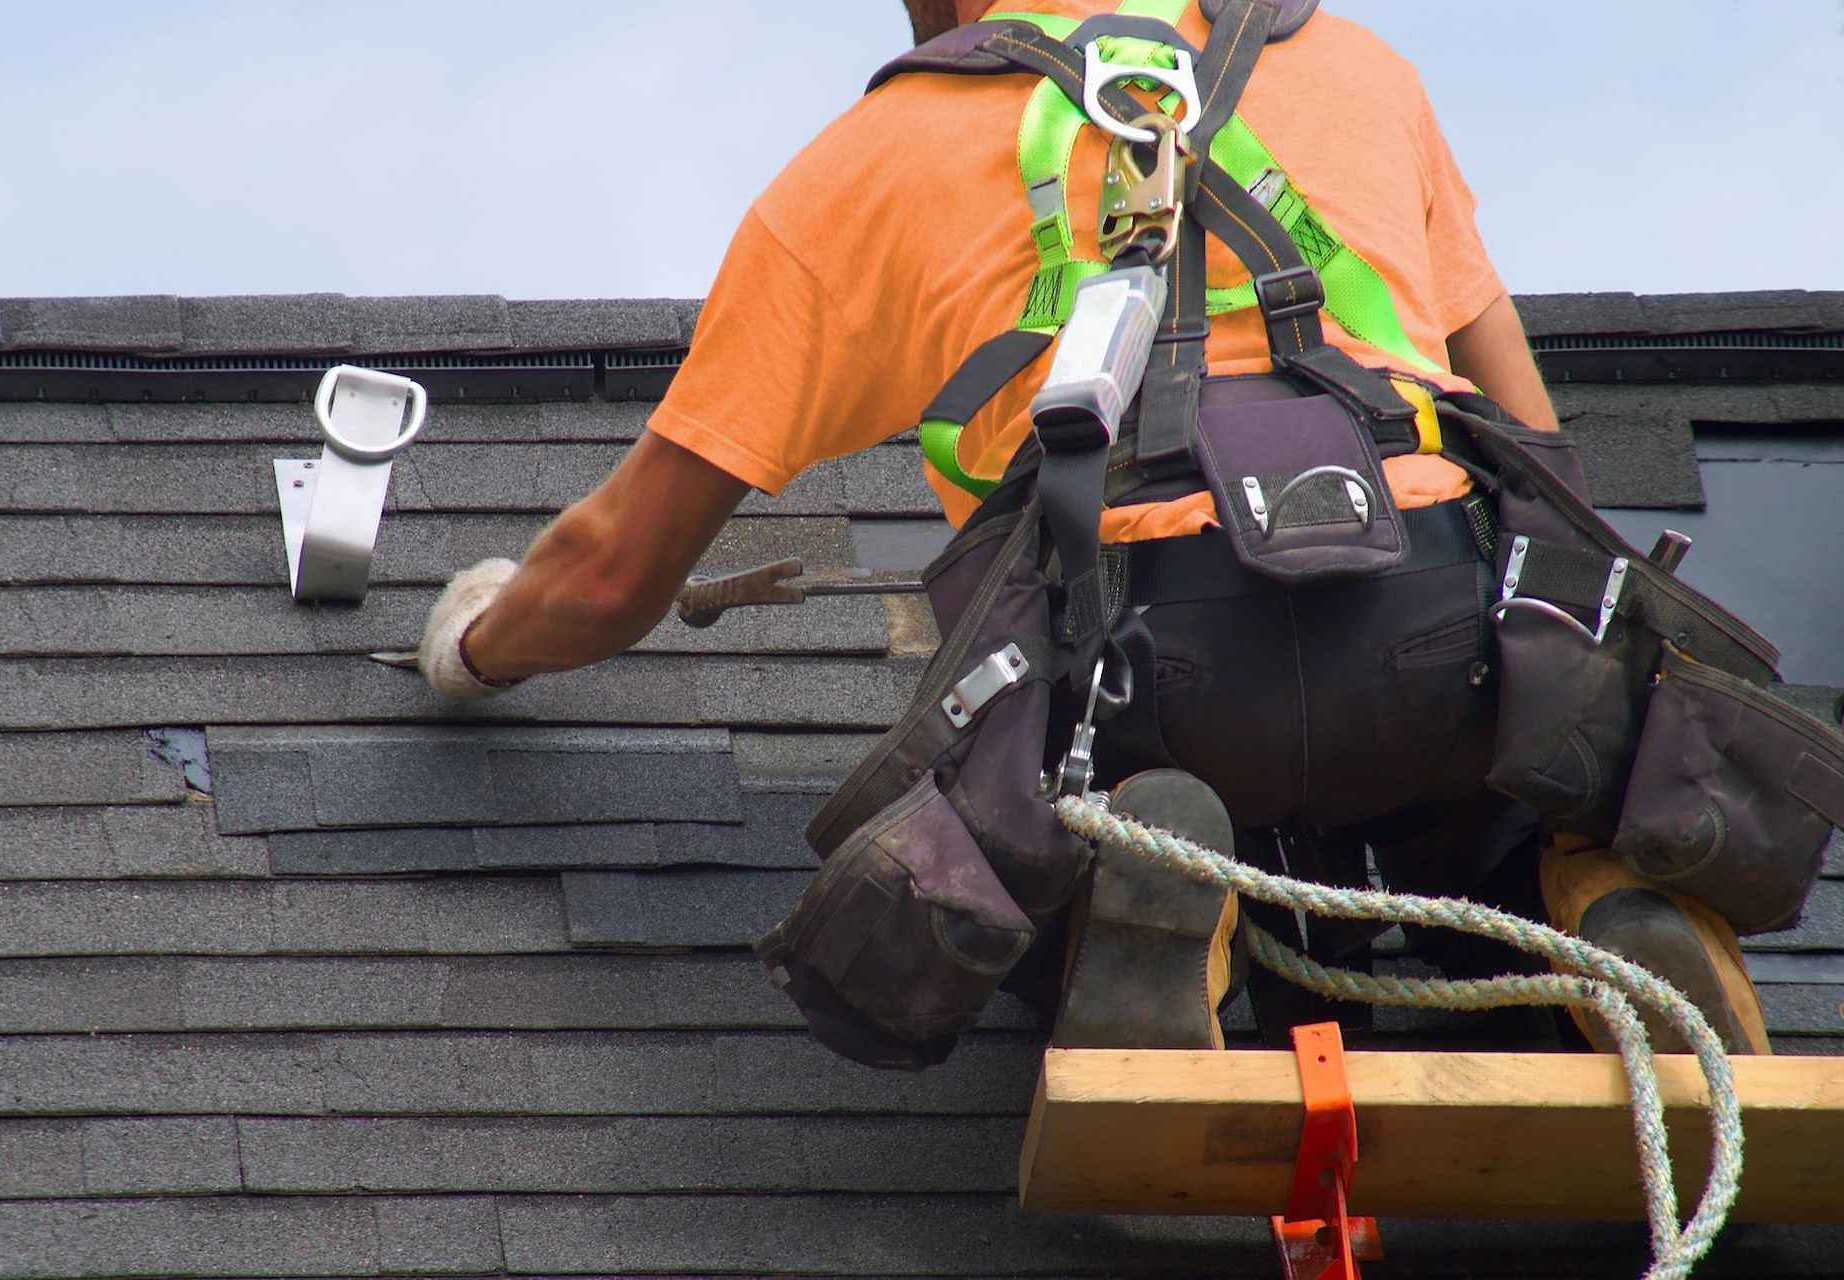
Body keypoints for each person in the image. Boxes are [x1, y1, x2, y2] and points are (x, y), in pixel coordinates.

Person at [416, 0, 1771, 1056]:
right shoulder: (1361, 71)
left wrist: (473, 649)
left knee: (1036, 849)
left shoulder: (865, 163)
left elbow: (608, 575)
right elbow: (1545, 469)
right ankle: (1587, 906)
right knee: (1498, 830)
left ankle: (1157, 909)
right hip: (1443, 639)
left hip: (1144, 675)